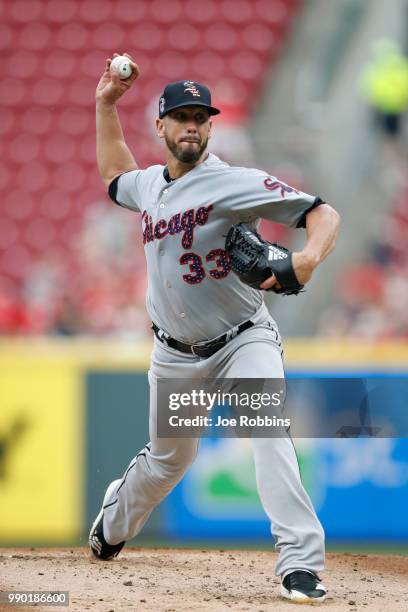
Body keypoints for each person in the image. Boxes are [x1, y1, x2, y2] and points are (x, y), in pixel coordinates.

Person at [89, 53, 340, 604]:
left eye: (201, 118)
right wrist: (106, 104)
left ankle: (300, 563)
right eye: (182, 117)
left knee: (268, 431)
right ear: (161, 126)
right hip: (177, 357)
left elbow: (323, 213)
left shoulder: (232, 183)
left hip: (243, 339)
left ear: (210, 126)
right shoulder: (150, 186)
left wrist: (307, 259)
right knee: (169, 461)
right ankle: (111, 526)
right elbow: (113, 176)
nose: (192, 127)